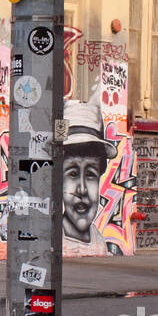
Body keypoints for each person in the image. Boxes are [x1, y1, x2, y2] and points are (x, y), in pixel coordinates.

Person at [62, 97, 116, 256]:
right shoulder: (51, 240)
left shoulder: (99, 241)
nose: (82, 189)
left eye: (91, 174)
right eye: (72, 173)